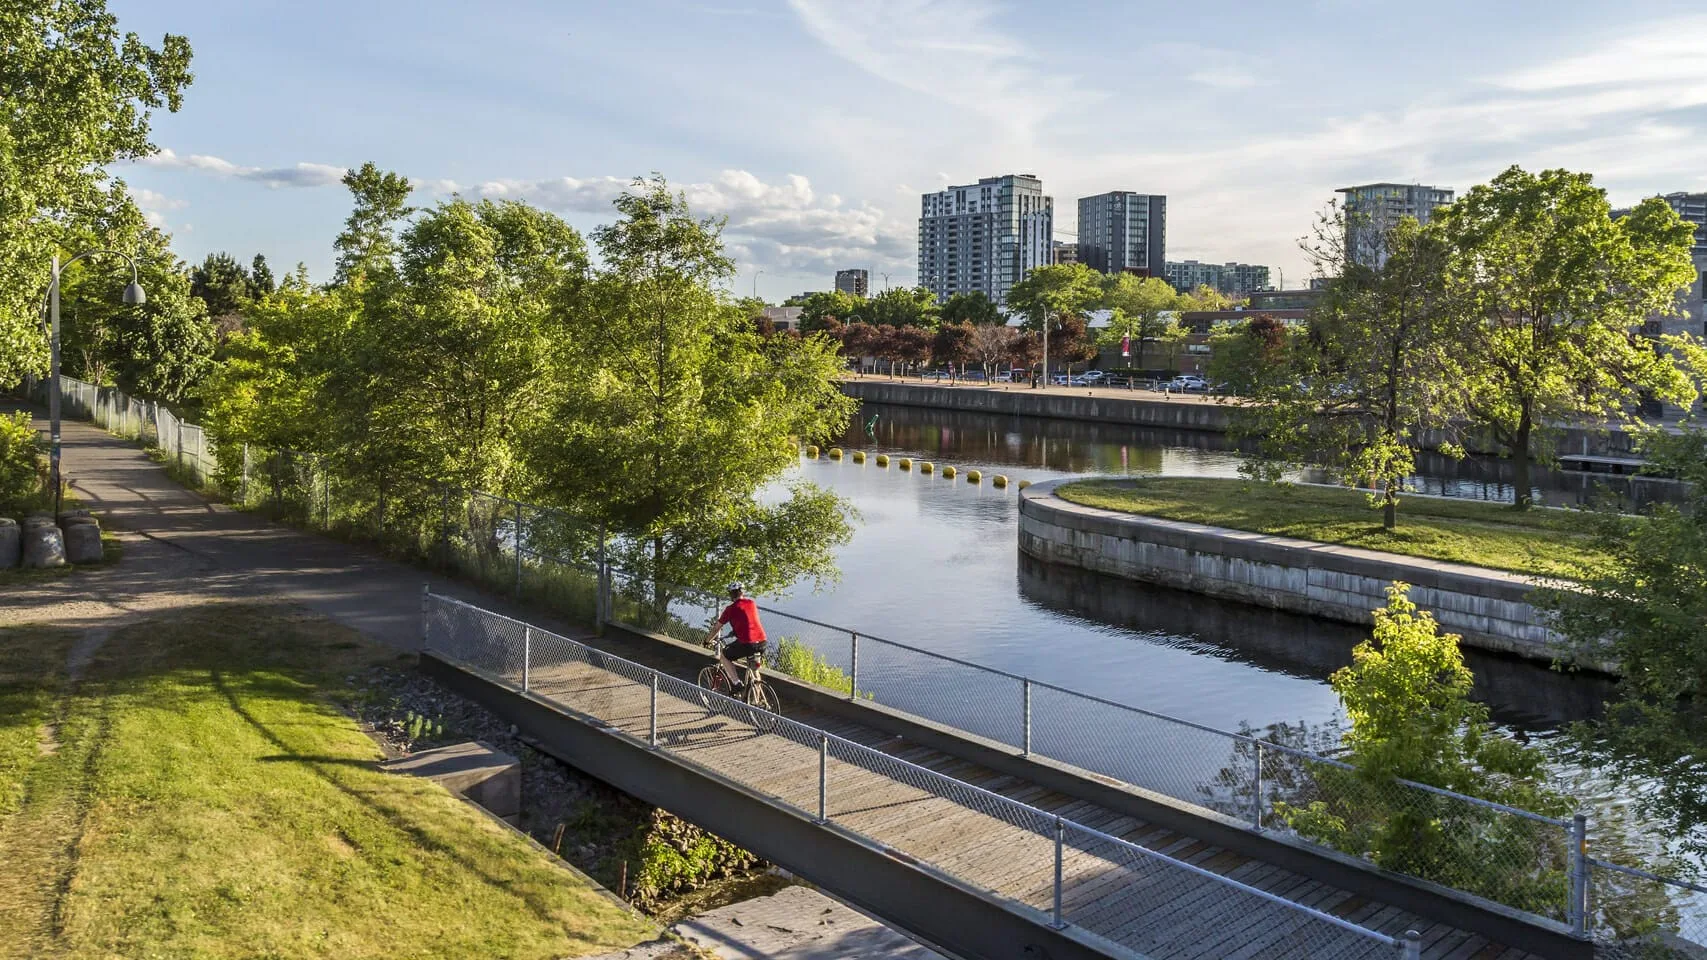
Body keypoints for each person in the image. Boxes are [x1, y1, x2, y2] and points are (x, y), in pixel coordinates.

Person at [703, 582, 767, 692]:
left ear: (731, 595)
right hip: (762, 641)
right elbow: (747, 621)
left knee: (724, 655)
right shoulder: (751, 603)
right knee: (754, 670)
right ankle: (758, 700)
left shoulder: (730, 609)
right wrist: (736, 631)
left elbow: (716, 628)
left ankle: (736, 683)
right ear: (742, 593)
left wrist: (707, 641)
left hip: (747, 643)